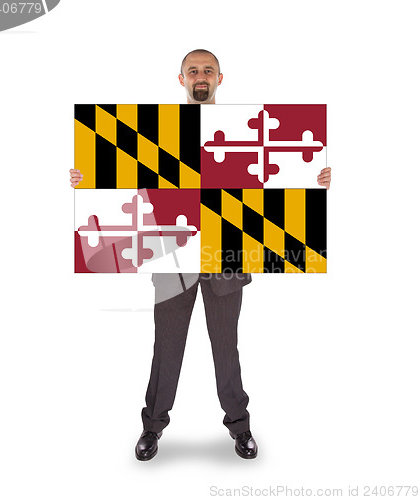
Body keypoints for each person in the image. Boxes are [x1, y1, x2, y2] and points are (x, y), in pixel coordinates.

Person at [70, 49, 332, 461]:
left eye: (207, 70)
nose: (200, 76)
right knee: (167, 347)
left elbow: (271, 182)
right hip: (172, 260)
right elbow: (124, 180)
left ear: (220, 78)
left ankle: (239, 427)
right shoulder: (153, 133)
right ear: (182, 80)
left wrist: (312, 180)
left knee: (226, 347)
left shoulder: (243, 133)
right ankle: (152, 427)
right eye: (193, 71)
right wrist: (87, 176)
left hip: (225, 259)